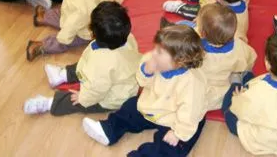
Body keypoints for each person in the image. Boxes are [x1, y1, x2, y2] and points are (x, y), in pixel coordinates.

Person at [82, 25, 207, 157]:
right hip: (155, 106)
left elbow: (190, 113)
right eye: (156, 48)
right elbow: (142, 82)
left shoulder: (191, 84)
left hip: (178, 119)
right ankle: (109, 130)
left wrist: (178, 133)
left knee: (171, 148)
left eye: (159, 51)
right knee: (130, 106)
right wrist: (146, 71)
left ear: (179, 60)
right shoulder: (155, 60)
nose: (154, 53)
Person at [23, 1, 141, 116]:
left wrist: (83, 98)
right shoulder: (126, 37)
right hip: (120, 76)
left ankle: (49, 104)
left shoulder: (102, 65)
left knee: (76, 101)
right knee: (83, 64)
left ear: (93, 33)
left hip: (113, 97)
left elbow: (96, 90)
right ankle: (62, 75)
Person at [221, 32, 277, 156]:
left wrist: (238, 97)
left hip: (267, 139)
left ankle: (235, 82)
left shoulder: (260, 92)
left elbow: (239, 109)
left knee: (228, 110)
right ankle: (244, 79)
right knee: (250, 79)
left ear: (267, 64)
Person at [196, 4, 257, 110]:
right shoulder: (239, 47)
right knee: (243, 73)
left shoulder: (196, 49)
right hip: (224, 92)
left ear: (202, 33)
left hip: (202, 92)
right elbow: (251, 58)